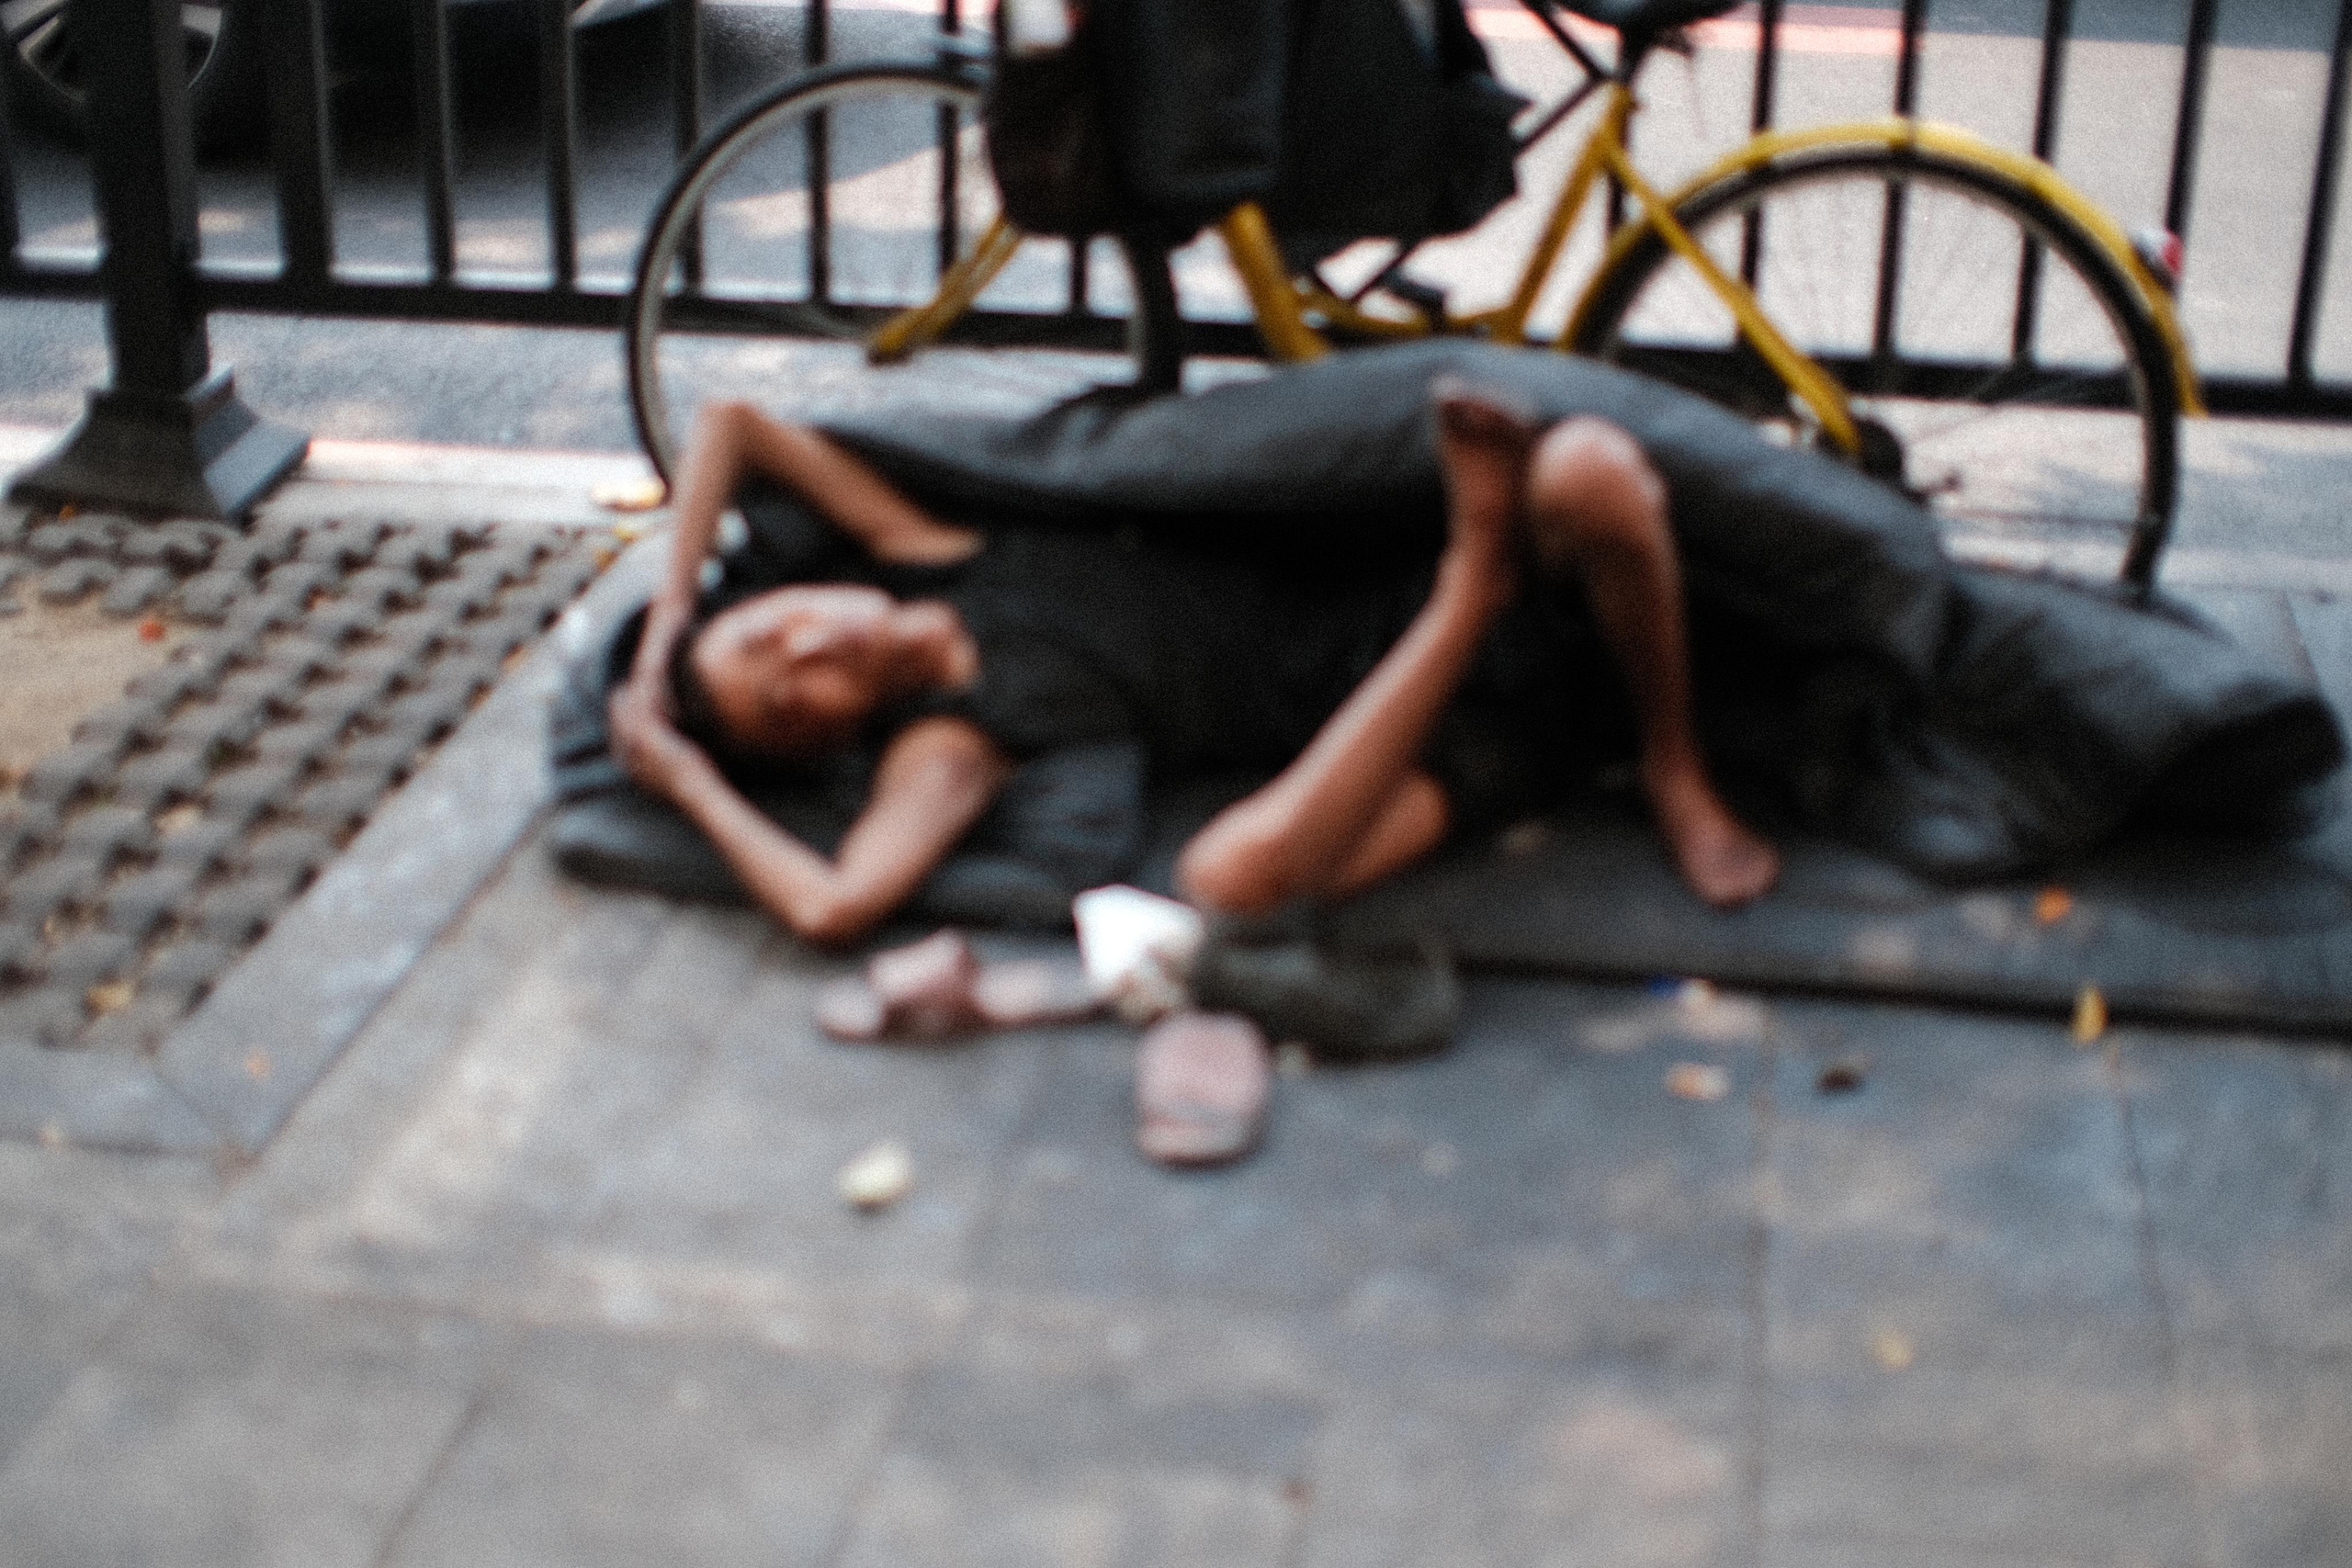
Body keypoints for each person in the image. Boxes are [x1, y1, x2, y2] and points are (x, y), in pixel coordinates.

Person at [605, 378, 1781, 961]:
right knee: (1225, 881)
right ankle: (1473, 591)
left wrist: (666, 632)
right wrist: (687, 780)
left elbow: (730, 422)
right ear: (817, 743)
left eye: (768, 630)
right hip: (1418, 739)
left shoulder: (931, 544)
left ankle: (1671, 758)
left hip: (1381, 583)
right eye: (782, 696)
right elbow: (835, 903)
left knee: (1593, 470)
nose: (803, 648)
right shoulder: (950, 741)